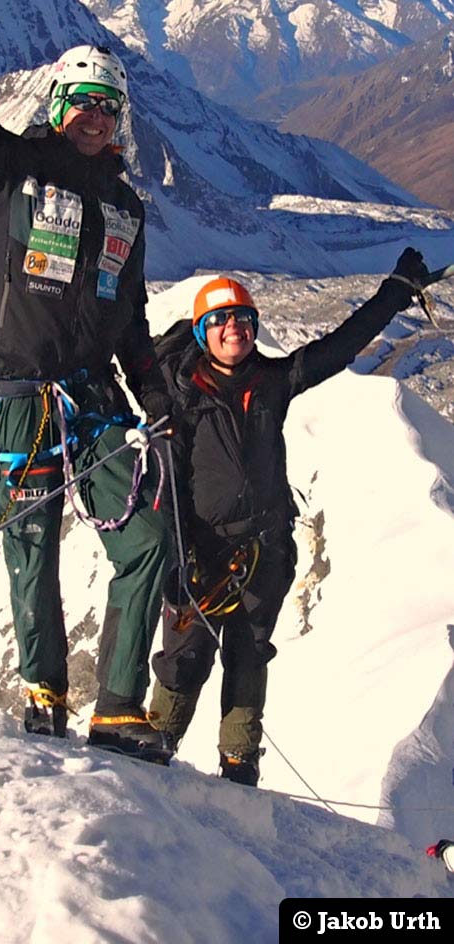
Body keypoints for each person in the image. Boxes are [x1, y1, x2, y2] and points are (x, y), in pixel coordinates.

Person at [0, 0, 175, 761]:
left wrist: (159, 397)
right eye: (85, 103)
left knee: (143, 540)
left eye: (110, 108)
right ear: (59, 105)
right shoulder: (8, 167)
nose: (97, 118)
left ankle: (120, 708)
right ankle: (45, 697)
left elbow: (129, 322)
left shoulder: (126, 210)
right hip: (19, 394)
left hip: (93, 393)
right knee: (31, 551)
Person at [147, 254, 430, 785]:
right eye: (223, 321)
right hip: (201, 551)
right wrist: (175, 552)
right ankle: (158, 744)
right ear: (205, 331)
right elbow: (165, 482)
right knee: (185, 657)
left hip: (263, 549)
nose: (236, 329)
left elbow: (338, 349)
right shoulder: (178, 397)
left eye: (244, 321)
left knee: (249, 654)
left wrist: (394, 292)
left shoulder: (272, 381)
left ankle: (239, 759)